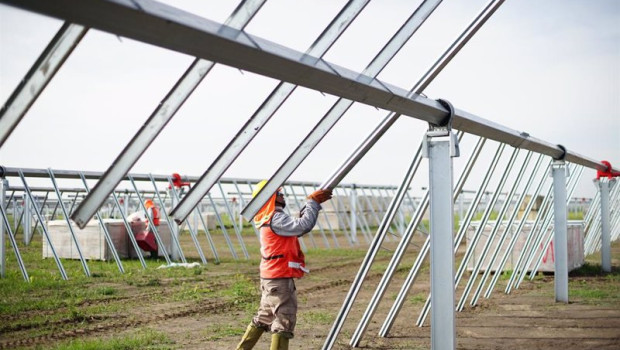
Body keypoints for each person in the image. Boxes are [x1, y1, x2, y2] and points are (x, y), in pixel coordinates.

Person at [236, 180, 333, 350]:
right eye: (279, 193)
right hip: (279, 278)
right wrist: (313, 203)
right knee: (284, 319)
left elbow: (297, 226)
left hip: (271, 277)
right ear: (271, 197)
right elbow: (303, 226)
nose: (283, 196)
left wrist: (310, 206)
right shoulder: (276, 218)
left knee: (264, 317)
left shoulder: (269, 217)